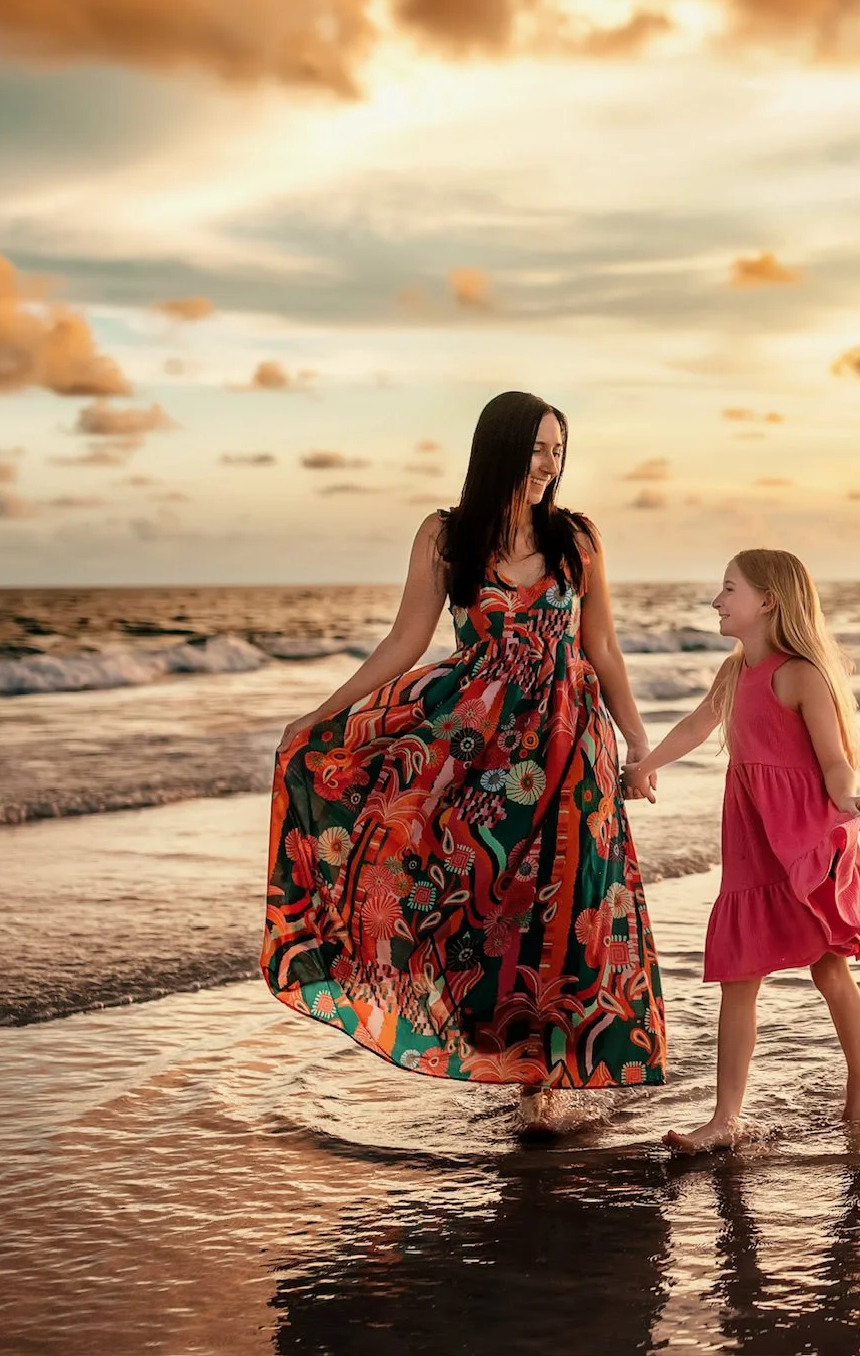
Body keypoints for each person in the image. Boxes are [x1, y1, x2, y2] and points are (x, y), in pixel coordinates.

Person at [261, 391, 666, 1137]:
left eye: (557, 450)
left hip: (571, 744)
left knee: (572, 903)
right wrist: (323, 715)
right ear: (501, 448)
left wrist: (637, 740)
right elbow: (404, 641)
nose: (549, 464)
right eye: (538, 448)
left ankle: (546, 1081)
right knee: (480, 904)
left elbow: (601, 647)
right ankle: (511, 1062)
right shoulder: (447, 535)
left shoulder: (577, 538)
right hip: (478, 749)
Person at [629, 549, 860, 1153]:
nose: (716, 601)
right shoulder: (733, 671)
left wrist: (849, 800)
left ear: (767, 600)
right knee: (738, 974)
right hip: (752, 837)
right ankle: (725, 1119)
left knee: (829, 965)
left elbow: (833, 759)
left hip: (802, 834)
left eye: (728, 589)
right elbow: (697, 725)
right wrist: (646, 765)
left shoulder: (800, 674)